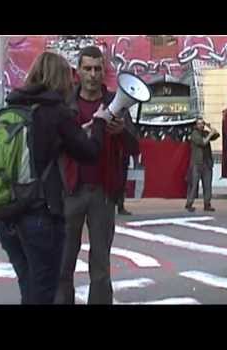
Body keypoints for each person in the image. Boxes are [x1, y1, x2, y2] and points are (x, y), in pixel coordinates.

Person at [0, 51, 107, 304]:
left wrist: (74, 133)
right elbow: (89, 152)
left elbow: (37, 147)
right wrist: (99, 123)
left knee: (29, 287)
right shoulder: (56, 111)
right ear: (60, 78)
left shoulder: (12, 106)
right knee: (45, 290)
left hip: (7, 215)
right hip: (38, 214)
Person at [55, 46, 140, 305]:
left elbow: (135, 147)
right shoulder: (64, 103)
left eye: (97, 68)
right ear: (77, 72)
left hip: (102, 192)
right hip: (70, 189)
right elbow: (52, 145)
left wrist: (121, 131)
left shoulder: (116, 102)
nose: (92, 74)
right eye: (87, 68)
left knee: (101, 264)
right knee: (64, 261)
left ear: (104, 72)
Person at [185, 118, 219, 212]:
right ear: (196, 125)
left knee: (207, 185)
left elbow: (216, 134)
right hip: (197, 163)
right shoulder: (194, 134)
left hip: (207, 163)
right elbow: (203, 143)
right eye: (199, 124)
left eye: (202, 124)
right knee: (194, 185)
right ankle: (189, 203)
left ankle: (207, 204)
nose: (201, 125)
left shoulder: (205, 132)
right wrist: (210, 134)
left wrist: (210, 127)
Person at [115, 150, 132, 215]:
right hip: (117, 163)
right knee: (118, 186)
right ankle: (119, 207)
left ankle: (121, 207)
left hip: (123, 163)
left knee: (121, 187)